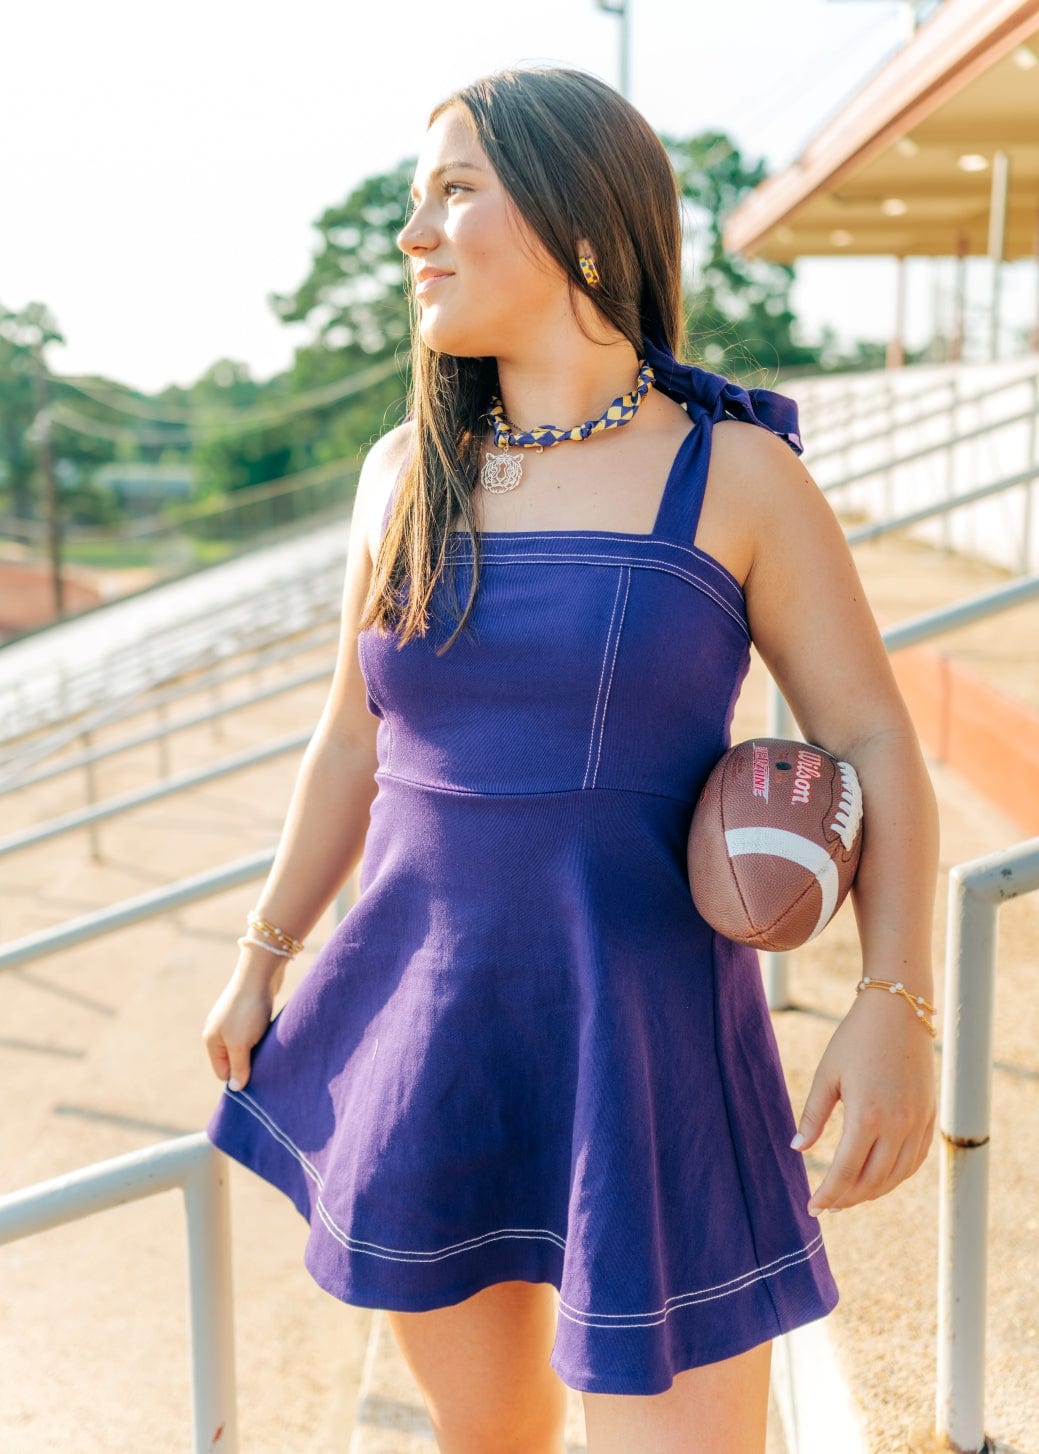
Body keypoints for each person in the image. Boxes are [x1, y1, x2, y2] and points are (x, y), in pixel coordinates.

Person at [202, 65, 939, 1454]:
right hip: (432, 1030)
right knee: (491, 1438)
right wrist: (262, 950)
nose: (413, 233)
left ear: (579, 220)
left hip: (646, 1042)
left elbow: (869, 740)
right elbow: (352, 735)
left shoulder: (736, 475)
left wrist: (897, 997)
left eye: (455, 189)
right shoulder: (399, 473)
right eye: (415, 199)